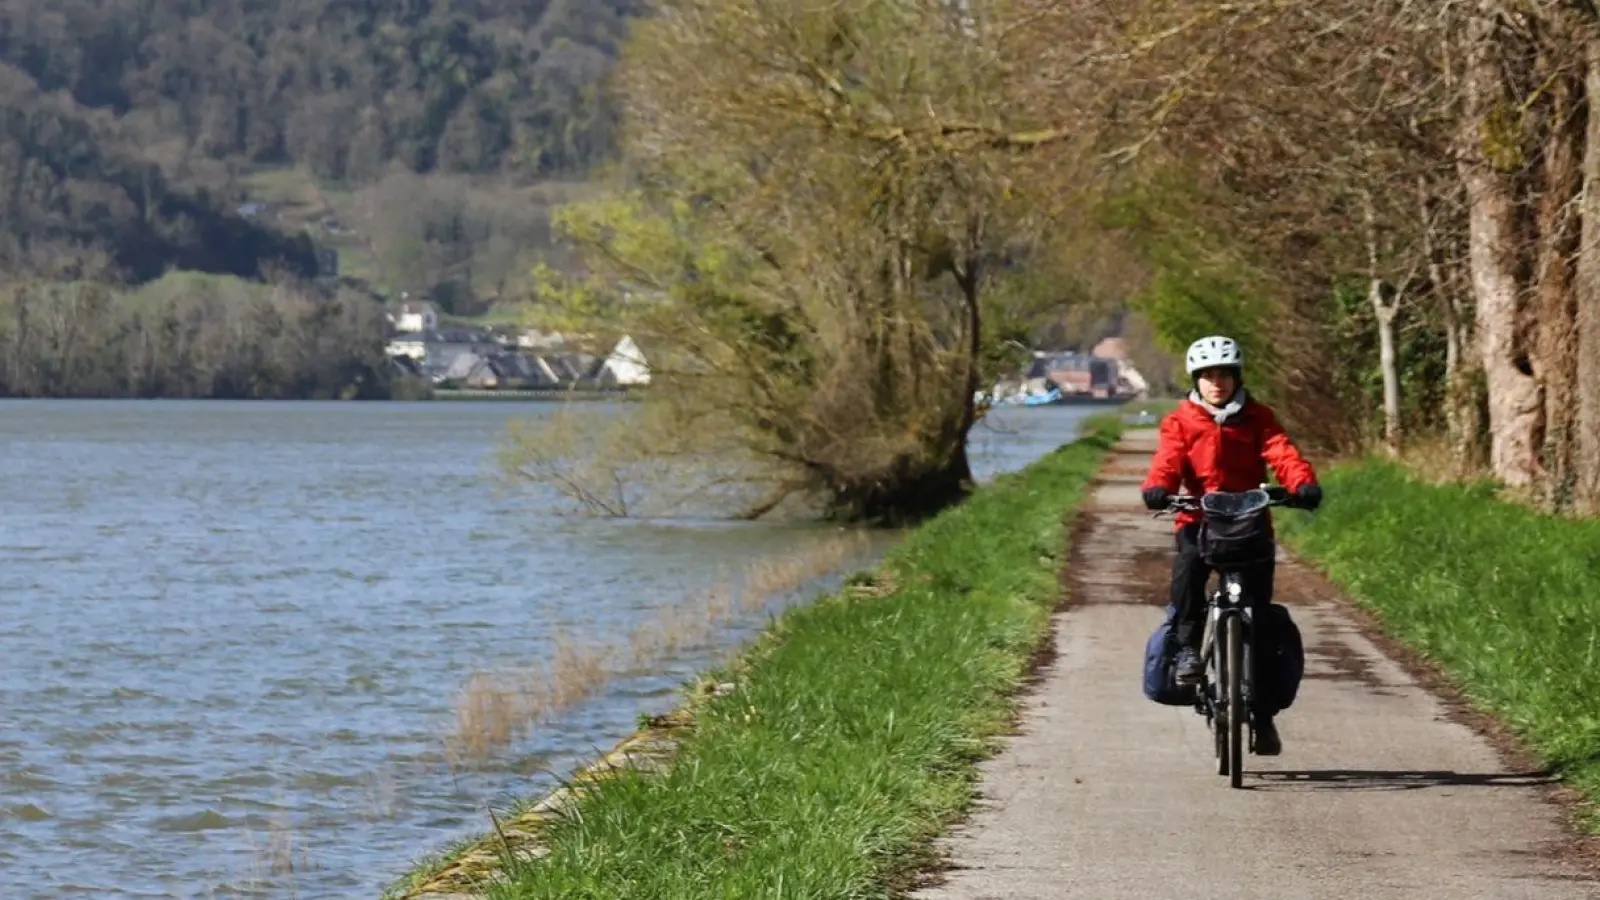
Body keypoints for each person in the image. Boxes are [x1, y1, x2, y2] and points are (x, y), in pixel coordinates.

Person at [1139, 335, 1321, 756]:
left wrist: (1302, 483)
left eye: (1224, 374)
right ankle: (1187, 651)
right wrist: (1159, 488)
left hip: (1249, 524)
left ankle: (1263, 717)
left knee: (1258, 618)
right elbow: (1167, 461)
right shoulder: (1180, 421)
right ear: (1196, 380)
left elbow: (1282, 452)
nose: (1216, 383)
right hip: (1198, 520)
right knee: (1187, 578)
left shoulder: (1258, 417)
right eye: (1207, 376)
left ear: (1237, 377)